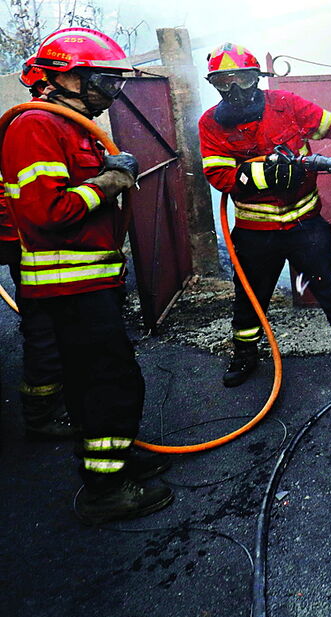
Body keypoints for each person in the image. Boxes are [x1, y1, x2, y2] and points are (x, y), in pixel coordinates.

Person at [1, 28, 172, 524]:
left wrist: (105, 175)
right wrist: (109, 181)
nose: (109, 92)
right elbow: (46, 212)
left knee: (102, 381)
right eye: (103, 80)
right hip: (67, 285)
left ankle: (114, 461)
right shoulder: (35, 127)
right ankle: (105, 490)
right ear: (65, 78)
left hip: (89, 281)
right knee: (107, 384)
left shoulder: (69, 127)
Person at [198, 43, 331, 386]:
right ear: (214, 84)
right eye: (224, 81)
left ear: (256, 77)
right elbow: (219, 176)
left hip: (305, 223)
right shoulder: (210, 124)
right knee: (250, 296)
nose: (234, 89)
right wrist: (265, 174)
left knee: (330, 286)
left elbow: (327, 122)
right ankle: (245, 354)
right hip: (256, 232)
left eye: (241, 78)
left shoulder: (284, 104)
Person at [0, 56, 73, 440]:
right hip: (29, 252)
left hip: (32, 249)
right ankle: (41, 415)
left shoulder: (42, 126)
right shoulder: (27, 128)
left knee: (51, 330)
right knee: (43, 332)